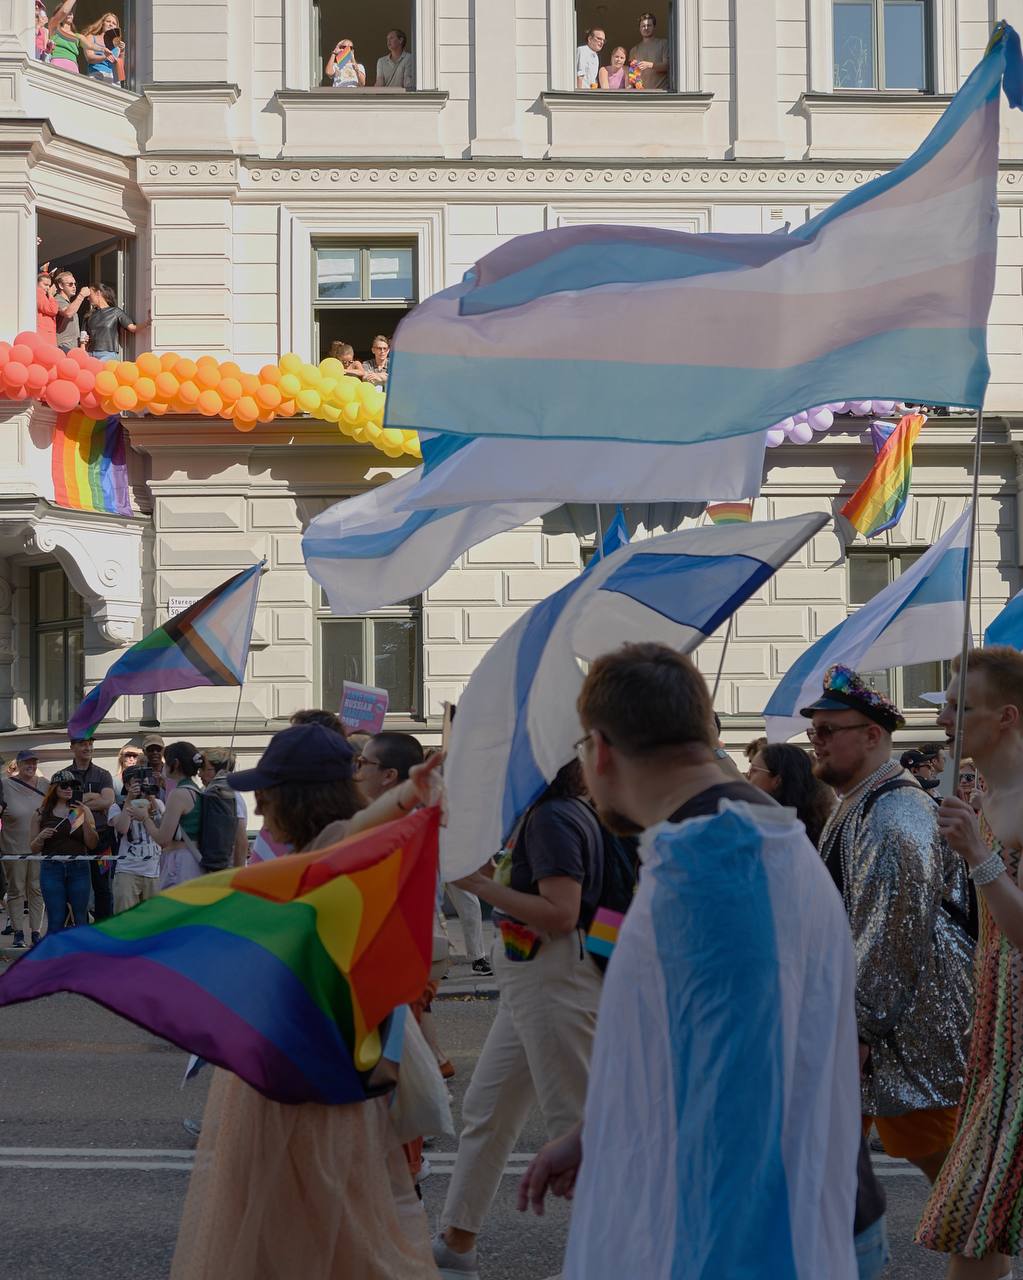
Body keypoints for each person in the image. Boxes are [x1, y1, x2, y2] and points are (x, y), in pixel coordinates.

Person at [517, 643, 860, 1278]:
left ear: (600, 750)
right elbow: (680, 1048)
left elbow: (743, 1121)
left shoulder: (718, 864)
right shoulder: (732, 842)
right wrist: (599, 1132)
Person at [168, 723, 443, 1280]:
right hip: (288, 1062)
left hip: (310, 1069)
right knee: (292, 1215)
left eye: (267, 797)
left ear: (298, 796)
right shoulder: (312, 852)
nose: (260, 812)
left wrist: (407, 797)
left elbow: (359, 825)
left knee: (316, 1216)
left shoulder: (335, 842)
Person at [432, 760, 606, 1280]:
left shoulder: (551, 816)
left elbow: (561, 912)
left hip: (551, 976)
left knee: (572, 1121)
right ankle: (456, 1242)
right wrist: (488, 876)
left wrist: (478, 884)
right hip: (535, 978)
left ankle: (602, 1259)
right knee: (488, 1109)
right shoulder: (553, 812)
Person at [805, 665, 973, 1187]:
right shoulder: (859, 802)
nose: (815, 741)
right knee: (828, 1165)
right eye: (813, 731)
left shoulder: (893, 812)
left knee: (958, 1184)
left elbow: (890, 936)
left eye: (827, 731)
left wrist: (858, 1029)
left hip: (911, 1036)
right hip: (886, 1032)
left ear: (872, 735)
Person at [916, 647, 1023, 1277]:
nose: (944, 719)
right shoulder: (982, 793)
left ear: (1006, 716)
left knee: (976, 1216)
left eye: (961, 707)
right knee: (980, 1221)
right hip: (999, 1035)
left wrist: (979, 856)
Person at [29, 769, 98, 931]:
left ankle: (81, 947)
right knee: (56, 918)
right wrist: (40, 837)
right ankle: (56, 947)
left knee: (81, 917)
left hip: (79, 868)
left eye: (73, 786)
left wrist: (85, 820)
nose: (69, 789)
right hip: (52, 868)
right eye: (64, 785)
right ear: (54, 788)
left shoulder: (80, 810)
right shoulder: (41, 813)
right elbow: (33, 848)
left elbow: (92, 844)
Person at [138, 741, 205, 887]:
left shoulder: (178, 794)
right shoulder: (195, 790)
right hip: (192, 860)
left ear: (175, 764)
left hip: (180, 863)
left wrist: (144, 818)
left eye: (166, 761)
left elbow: (163, 839)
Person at [746, 740, 835, 846]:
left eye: (754, 770)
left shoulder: (775, 833)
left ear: (777, 781)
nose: (748, 776)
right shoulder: (817, 827)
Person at [66, 735, 115, 921]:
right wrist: (94, 797)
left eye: (90, 744)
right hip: (74, 840)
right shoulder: (65, 775)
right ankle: (79, 926)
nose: (87, 748)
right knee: (75, 886)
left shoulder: (103, 774)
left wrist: (79, 803)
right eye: (82, 744)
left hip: (102, 840)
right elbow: (63, 806)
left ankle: (104, 926)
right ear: (72, 747)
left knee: (103, 886)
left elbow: (108, 801)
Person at [0, 751, 47, 947]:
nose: (31, 766)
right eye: (27, 762)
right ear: (18, 764)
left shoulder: (45, 784)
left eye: (34, 763)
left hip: (39, 848)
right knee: (16, 890)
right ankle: (18, 933)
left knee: (37, 890)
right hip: (13, 848)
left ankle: (36, 932)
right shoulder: (5, 785)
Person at [109, 773, 163, 912]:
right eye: (138, 782)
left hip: (154, 871)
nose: (142, 786)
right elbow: (122, 829)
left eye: (145, 782)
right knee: (125, 918)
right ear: (127, 785)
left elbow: (163, 828)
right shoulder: (117, 807)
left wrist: (151, 799)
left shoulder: (158, 803)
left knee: (155, 918)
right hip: (127, 870)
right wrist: (130, 799)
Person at [199, 747, 249, 868]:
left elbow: (241, 840)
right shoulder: (207, 792)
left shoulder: (230, 797)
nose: (199, 774)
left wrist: (237, 873)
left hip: (226, 868)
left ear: (220, 771)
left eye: (204, 769)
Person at [82, 283, 147, 361]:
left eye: (90, 295)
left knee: (102, 369)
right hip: (90, 354)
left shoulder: (115, 312)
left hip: (107, 354)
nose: (88, 298)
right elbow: (83, 339)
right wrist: (83, 357)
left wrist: (148, 322)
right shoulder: (89, 315)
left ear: (98, 293)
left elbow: (133, 328)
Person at [629, 11, 669, 91]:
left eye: (649, 25)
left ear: (654, 27)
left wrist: (650, 65)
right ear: (639, 28)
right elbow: (633, 75)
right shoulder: (634, 50)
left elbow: (667, 66)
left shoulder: (663, 43)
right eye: (643, 26)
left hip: (661, 92)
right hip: (641, 94)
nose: (646, 28)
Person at [79, 11, 124, 83]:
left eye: (114, 23)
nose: (111, 24)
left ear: (116, 28)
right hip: (96, 74)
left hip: (112, 79)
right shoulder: (91, 37)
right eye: (108, 21)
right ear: (102, 23)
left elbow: (120, 69)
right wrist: (105, 57)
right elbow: (90, 58)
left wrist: (122, 51)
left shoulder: (117, 47)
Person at [53, 269, 91, 352]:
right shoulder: (57, 300)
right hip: (63, 347)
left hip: (72, 347)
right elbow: (68, 313)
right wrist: (81, 295)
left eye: (75, 284)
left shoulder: (69, 303)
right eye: (70, 284)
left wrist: (81, 340)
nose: (74, 286)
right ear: (61, 286)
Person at [48, 3, 81, 72]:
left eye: (71, 12)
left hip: (73, 66)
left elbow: (90, 46)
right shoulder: (54, 28)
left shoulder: (77, 36)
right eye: (68, 13)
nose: (69, 14)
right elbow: (64, 11)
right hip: (57, 61)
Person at [36, 271, 59, 342]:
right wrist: (51, 295)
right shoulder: (38, 292)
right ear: (37, 283)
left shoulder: (41, 294)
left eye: (49, 285)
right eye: (45, 285)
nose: (48, 288)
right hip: (44, 333)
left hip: (45, 332)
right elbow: (52, 310)